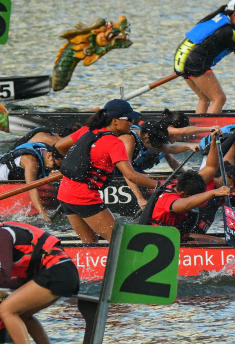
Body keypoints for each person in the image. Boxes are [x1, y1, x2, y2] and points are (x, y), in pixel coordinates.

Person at [53, 99, 161, 244]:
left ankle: (89, 266)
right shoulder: (115, 143)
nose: (132, 122)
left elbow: (59, 146)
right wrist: (159, 185)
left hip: (65, 192)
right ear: (115, 121)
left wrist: (76, 164)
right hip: (84, 196)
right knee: (118, 241)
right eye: (128, 119)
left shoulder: (87, 130)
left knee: (90, 242)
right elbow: (130, 175)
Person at [0, 221, 80, 344]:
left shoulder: (2, 234)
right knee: (24, 315)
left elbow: (4, 276)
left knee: (7, 310)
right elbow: (15, 282)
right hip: (64, 272)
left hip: (57, 271)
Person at [172, 0, 235, 113]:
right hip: (195, 63)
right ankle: (211, 130)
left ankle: (198, 128)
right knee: (219, 99)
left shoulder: (217, 18)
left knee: (204, 99)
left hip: (181, 59)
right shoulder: (228, 31)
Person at [0, 129, 61, 223]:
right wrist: (42, 213)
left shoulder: (48, 151)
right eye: (55, 166)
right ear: (49, 156)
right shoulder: (31, 161)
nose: (55, 168)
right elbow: (31, 187)